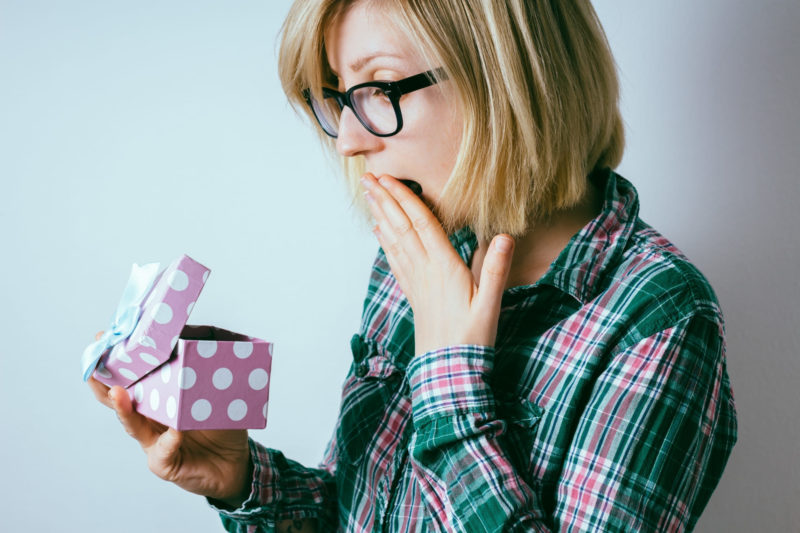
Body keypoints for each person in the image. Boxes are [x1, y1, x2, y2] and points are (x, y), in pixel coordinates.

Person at [88, 1, 738, 531]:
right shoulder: (412, 258)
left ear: (507, 79)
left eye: (377, 88)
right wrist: (242, 481)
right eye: (340, 97)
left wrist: (449, 378)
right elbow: (364, 513)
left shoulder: (659, 316)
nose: (348, 139)